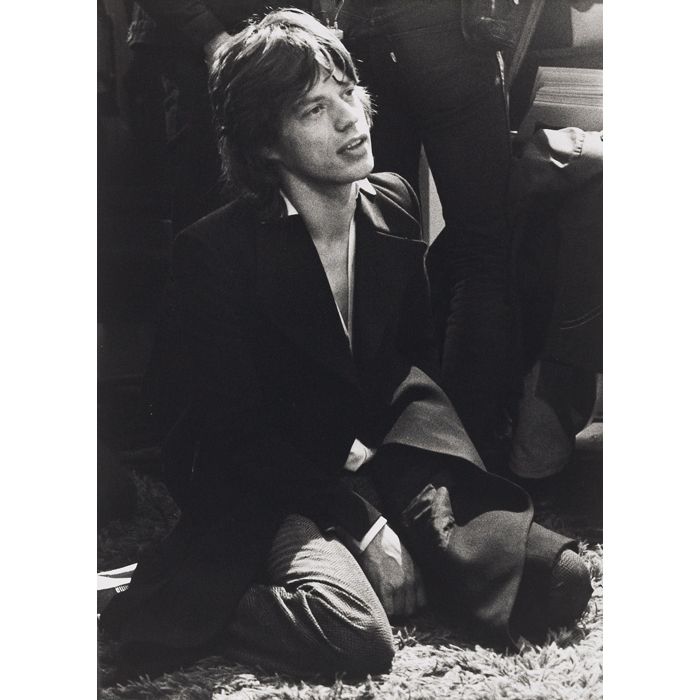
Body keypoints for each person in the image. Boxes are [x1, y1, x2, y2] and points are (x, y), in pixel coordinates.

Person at [100, 9, 592, 680]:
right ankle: (198, 601)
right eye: (313, 109)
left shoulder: (393, 203)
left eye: (348, 92)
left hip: (366, 455)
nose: (349, 119)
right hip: (266, 479)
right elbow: (228, 436)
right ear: (265, 145)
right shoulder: (213, 253)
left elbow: (407, 368)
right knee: (354, 633)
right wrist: (361, 523)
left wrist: (405, 489)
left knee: (557, 579)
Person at [332, 0, 517, 453]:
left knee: (381, 241)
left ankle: (392, 435)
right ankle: (461, 447)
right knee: (483, 251)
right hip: (446, 34)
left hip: (362, 33)